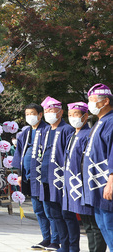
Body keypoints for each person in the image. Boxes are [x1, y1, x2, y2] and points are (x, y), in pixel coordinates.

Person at [63, 102, 106, 252]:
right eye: (70, 115)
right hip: (73, 184)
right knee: (86, 223)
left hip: (85, 184)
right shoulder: (72, 135)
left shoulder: (87, 135)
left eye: (75, 114)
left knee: (93, 224)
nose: (72, 118)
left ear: (85, 116)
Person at [12, 103, 55, 250]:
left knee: (49, 210)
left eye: (32, 113)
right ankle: (46, 238)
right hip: (30, 177)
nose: (29, 117)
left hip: (44, 178)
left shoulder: (48, 130)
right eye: (27, 114)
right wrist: (19, 174)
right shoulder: (26, 132)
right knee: (38, 210)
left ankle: (55, 239)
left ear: (40, 115)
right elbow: (19, 154)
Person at [39, 97, 74, 252]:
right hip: (46, 177)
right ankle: (59, 243)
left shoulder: (66, 129)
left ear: (60, 112)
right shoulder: (46, 130)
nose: (48, 114)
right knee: (52, 213)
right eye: (46, 111)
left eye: (51, 110)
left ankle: (69, 245)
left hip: (59, 178)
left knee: (64, 214)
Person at [82, 84, 113, 250]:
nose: (90, 104)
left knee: (110, 225)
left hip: (106, 184)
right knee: (102, 225)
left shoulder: (111, 122)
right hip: (96, 185)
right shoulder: (99, 122)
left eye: (93, 100)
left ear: (106, 101)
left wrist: (111, 181)